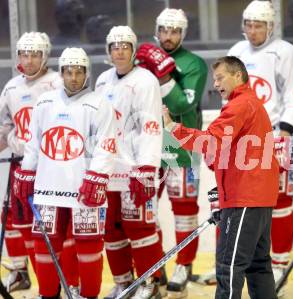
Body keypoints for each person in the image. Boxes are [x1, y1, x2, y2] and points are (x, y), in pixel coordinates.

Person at [163, 55, 279, 299]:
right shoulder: (250, 104)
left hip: (245, 198)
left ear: (238, 75)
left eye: (220, 77)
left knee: (229, 266)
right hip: (256, 198)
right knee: (258, 266)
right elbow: (231, 151)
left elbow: (211, 140)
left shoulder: (240, 105)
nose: (215, 84)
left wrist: (174, 128)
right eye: (214, 79)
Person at [12, 47, 116, 299]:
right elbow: (34, 142)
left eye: (79, 72)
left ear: (87, 74)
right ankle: (48, 294)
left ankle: (88, 295)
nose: (73, 77)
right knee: (45, 246)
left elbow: (107, 144)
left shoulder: (99, 103)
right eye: (68, 71)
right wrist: (27, 170)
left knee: (89, 246)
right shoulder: (45, 102)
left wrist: (98, 177)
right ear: (61, 73)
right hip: (48, 188)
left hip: (84, 190)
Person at [227, 1, 293, 296]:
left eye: (259, 25)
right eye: (248, 24)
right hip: (245, 141)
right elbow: (229, 98)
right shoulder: (236, 52)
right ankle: (245, 261)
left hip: (278, 135)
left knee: (280, 201)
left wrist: (284, 132)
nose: (253, 30)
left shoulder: (285, 52)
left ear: (270, 27)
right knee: (248, 203)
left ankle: (280, 265)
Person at [135, 8, 208, 298]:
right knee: (144, 212)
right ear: (157, 29)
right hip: (148, 148)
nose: (168, 36)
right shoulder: (140, 63)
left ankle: (185, 265)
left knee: (185, 213)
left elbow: (180, 106)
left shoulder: (195, 65)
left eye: (175, 31)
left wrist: (164, 73)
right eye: (164, 30)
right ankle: (156, 266)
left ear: (183, 33)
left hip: (181, 149)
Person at [0, 32, 79, 293]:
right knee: (16, 221)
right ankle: (27, 275)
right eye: (24, 54)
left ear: (45, 55)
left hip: (51, 167)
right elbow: (5, 127)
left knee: (54, 231)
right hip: (20, 166)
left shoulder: (57, 83)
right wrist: (10, 138)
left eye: (35, 54)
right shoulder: (11, 87)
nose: (29, 60)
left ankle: (65, 284)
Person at [95, 26, 164, 299]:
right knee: (111, 228)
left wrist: (146, 167)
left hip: (136, 169)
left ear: (133, 50)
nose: (119, 50)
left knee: (141, 227)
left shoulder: (146, 80)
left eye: (125, 45)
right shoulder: (102, 81)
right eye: (114, 46)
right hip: (110, 168)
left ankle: (149, 284)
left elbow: (151, 126)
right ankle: (124, 283)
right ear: (108, 51)